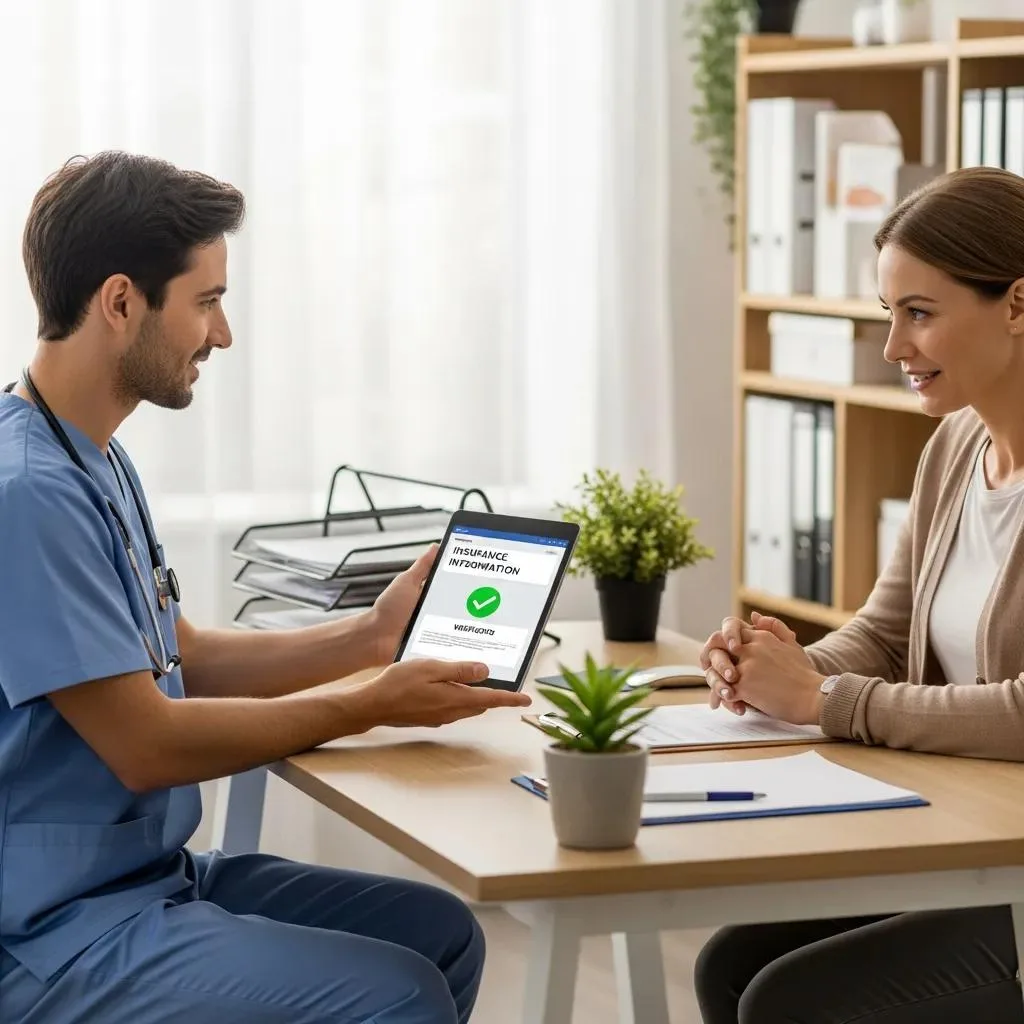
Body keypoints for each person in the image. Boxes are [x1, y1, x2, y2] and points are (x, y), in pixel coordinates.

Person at [0, 151, 532, 1023]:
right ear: (122, 301)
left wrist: (371, 638)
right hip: (53, 932)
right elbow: (150, 745)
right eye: (207, 302)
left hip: (143, 882)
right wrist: (370, 703)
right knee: (399, 994)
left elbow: (186, 656)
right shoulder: (27, 494)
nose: (223, 334)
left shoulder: (91, 455)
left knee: (439, 933)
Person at [693, 165, 1024, 1023]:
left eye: (919, 314)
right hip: (960, 833)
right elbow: (883, 633)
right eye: (889, 314)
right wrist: (780, 663)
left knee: (788, 1001)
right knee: (731, 965)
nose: (892, 349)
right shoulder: (954, 448)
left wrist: (828, 699)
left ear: (1017, 305)